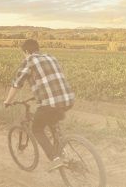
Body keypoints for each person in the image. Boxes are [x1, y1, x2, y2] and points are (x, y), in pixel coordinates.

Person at [4, 39, 75, 171]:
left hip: (50, 103)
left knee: (37, 129)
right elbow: (50, 80)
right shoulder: (51, 57)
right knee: (51, 120)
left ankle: (55, 158)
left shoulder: (29, 60)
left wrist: (7, 101)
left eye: (23, 53)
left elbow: (17, 84)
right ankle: (64, 151)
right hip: (68, 99)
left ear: (26, 51)